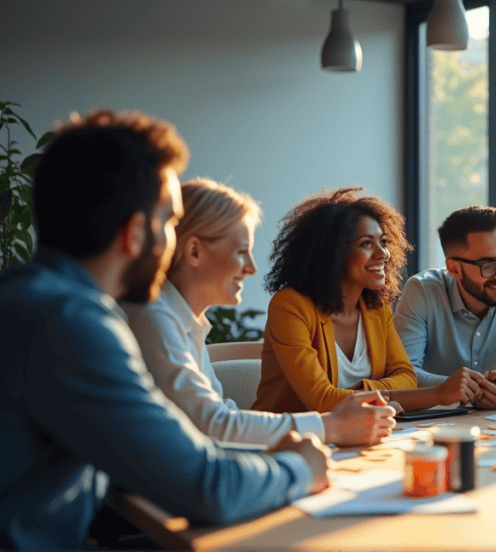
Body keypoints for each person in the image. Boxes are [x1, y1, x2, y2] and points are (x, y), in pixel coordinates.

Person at [0, 110, 330, 550]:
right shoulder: (70, 324)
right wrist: (300, 467)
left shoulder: (26, 297)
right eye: (170, 223)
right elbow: (207, 487)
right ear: (135, 233)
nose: (173, 242)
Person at [125, 178, 395, 447]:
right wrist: (330, 426)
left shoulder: (183, 322)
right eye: (242, 252)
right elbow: (212, 424)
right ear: (194, 251)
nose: (251, 268)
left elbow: (222, 414)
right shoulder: (154, 320)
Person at [251, 187, 465, 414]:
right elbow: (322, 400)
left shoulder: (375, 307)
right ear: (332, 253)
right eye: (366, 243)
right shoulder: (290, 306)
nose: (383, 253)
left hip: (358, 435)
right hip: (288, 439)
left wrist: (361, 390)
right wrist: (437, 395)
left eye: (383, 241)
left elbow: (406, 377)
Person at [394, 206, 496, 408]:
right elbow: (404, 372)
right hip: (435, 417)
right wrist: (447, 388)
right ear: (454, 268)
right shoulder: (422, 291)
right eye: (487, 265)